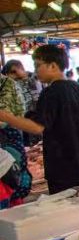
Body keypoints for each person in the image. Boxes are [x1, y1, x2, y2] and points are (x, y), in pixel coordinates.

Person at [0, 45, 79, 195]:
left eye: (38, 65)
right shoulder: (78, 88)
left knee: (65, 212)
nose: (35, 70)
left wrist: (5, 117)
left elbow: (37, 127)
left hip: (62, 167)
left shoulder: (51, 92)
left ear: (53, 65)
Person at [0, 72, 31, 204]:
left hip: (8, 135)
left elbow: (20, 110)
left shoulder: (9, 83)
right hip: (9, 134)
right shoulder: (10, 83)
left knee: (13, 175)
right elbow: (21, 109)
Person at [2, 60, 42, 146]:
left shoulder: (34, 79)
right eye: (11, 72)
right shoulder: (10, 84)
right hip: (20, 122)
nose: (14, 75)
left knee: (38, 144)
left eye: (14, 71)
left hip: (36, 119)